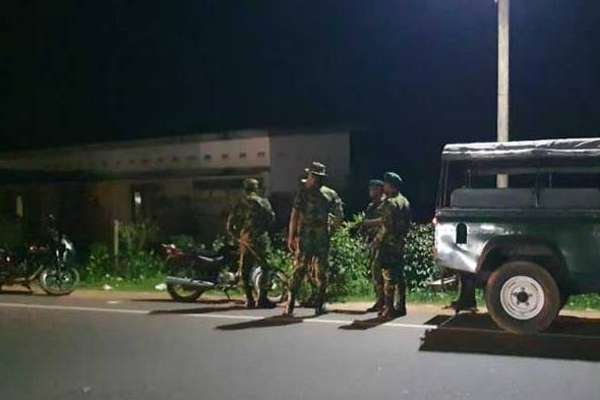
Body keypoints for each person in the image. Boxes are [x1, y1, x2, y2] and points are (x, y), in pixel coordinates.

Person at [284, 162, 344, 316]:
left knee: (301, 269)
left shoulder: (303, 193)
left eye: (310, 175)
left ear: (314, 176)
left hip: (307, 236)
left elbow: (294, 216)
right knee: (320, 271)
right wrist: (331, 230)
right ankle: (318, 304)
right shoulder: (330, 194)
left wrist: (291, 237)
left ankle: (290, 305)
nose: (309, 178)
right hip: (321, 235)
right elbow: (339, 217)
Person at [364, 172, 411, 320]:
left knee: (388, 276)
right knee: (400, 275)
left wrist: (377, 241)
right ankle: (401, 306)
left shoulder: (390, 203)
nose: (383, 187)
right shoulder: (404, 201)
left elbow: (386, 226)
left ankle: (389, 309)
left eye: (385, 184)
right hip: (399, 243)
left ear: (390, 186)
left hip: (389, 244)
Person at [226, 178, 276, 309]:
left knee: (245, 269)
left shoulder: (239, 203)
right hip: (260, 238)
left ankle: (249, 299)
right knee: (266, 267)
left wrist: (239, 237)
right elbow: (271, 219)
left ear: (245, 189)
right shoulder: (263, 202)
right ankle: (262, 298)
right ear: (256, 188)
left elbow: (230, 225)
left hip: (245, 239)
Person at [362, 179, 386, 312]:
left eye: (373, 189)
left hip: (383, 242)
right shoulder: (371, 206)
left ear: (379, 190)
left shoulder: (385, 205)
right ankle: (380, 300)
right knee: (375, 273)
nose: (370, 191)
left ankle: (384, 302)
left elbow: (385, 221)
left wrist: (369, 223)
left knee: (382, 273)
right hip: (373, 242)